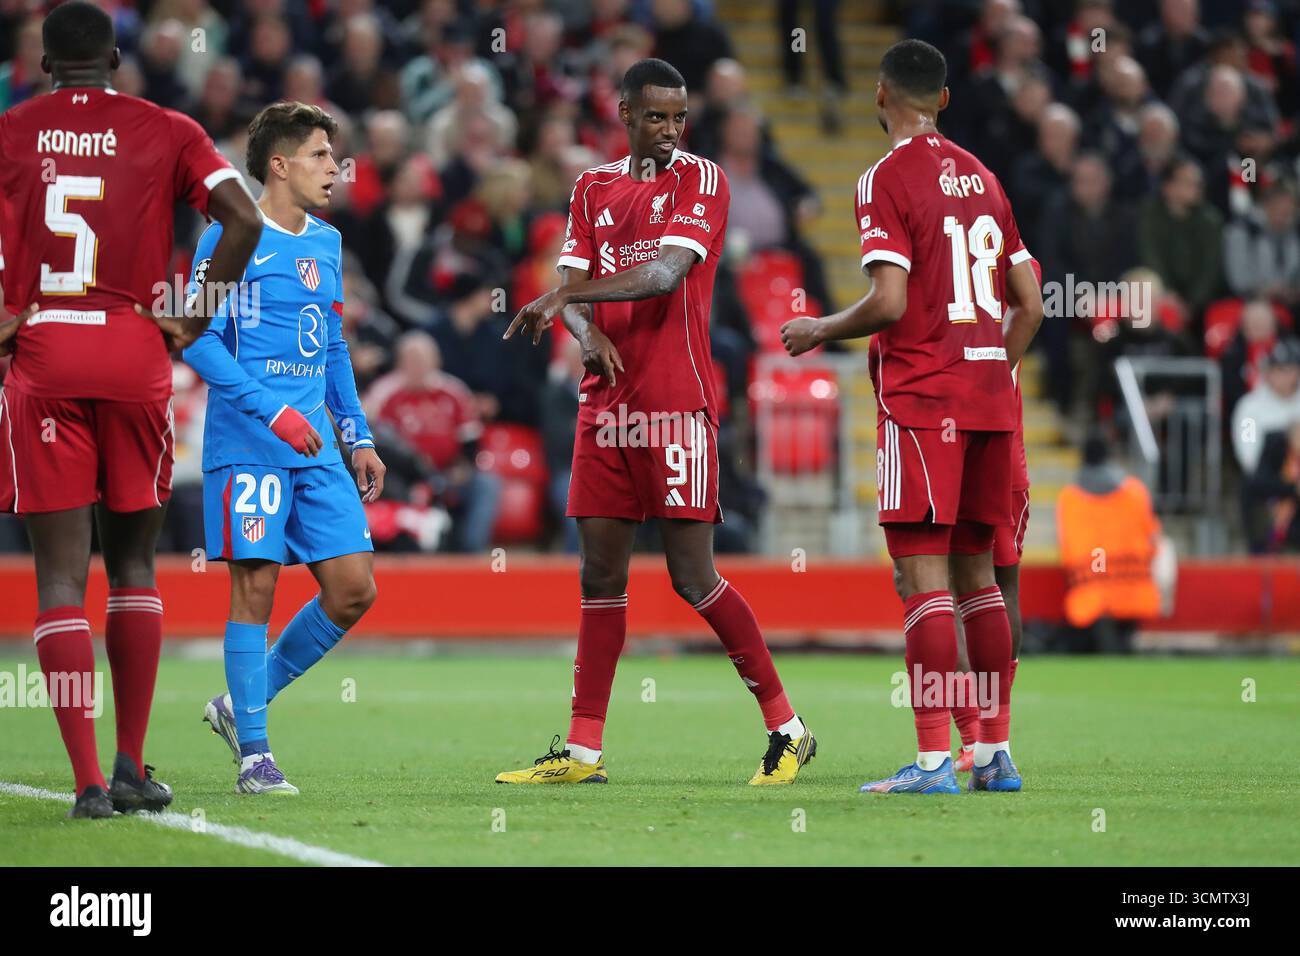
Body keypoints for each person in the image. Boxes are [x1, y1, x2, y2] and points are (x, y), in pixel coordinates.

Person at [497, 58, 815, 786]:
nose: (670, 130)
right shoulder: (592, 187)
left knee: (692, 577)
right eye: (655, 117)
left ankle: (788, 728)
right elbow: (575, 292)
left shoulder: (702, 180)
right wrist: (583, 329)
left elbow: (664, 274)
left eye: (679, 116)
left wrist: (561, 300)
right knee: (600, 575)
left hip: (676, 404)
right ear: (625, 114)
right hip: (606, 403)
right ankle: (581, 753)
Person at [0, 1, 262, 819]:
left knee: (59, 578)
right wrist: (197, 313)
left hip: (44, 353)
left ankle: (83, 783)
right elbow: (244, 218)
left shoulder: (13, 130)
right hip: (134, 351)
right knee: (136, 567)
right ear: (116, 58)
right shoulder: (169, 127)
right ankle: (131, 765)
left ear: (43, 66)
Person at [781, 39, 1043, 794]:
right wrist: (997, 366)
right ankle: (992, 751)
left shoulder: (883, 179)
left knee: (920, 577)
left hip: (924, 399)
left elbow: (891, 301)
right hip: (991, 400)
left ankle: (932, 761)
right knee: (980, 578)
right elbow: (1029, 302)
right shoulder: (988, 179)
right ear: (946, 101)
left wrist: (821, 328)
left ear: (878, 95)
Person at [183, 102, 386, 796]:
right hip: (250, 443)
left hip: (316, 446)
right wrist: (271, 414)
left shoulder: (326, 243)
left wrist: (355, 433)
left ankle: (238, 705)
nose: (336, 168)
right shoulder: (230, 235)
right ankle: (256, 759)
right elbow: (197, 337)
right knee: (257, 585)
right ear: (280, 163)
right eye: (322, 155)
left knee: (354, 589)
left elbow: (331, 345)